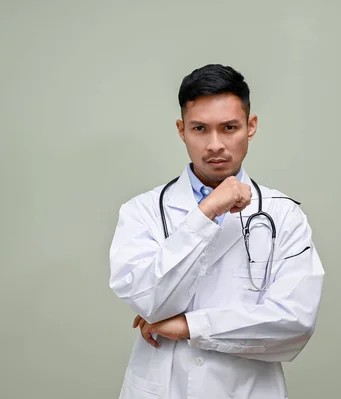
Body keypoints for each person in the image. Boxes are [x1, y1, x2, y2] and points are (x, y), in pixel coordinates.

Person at [108, 64, 325, 399]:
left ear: (250, 127)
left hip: (249, 390)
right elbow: (149, 300)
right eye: (199, 128)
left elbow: (293, 323)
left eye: (229, 127)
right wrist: (207, 211)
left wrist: (187, 327)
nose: (215, 145)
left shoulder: (284, 215)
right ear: (182, 130)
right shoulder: (142, 211)